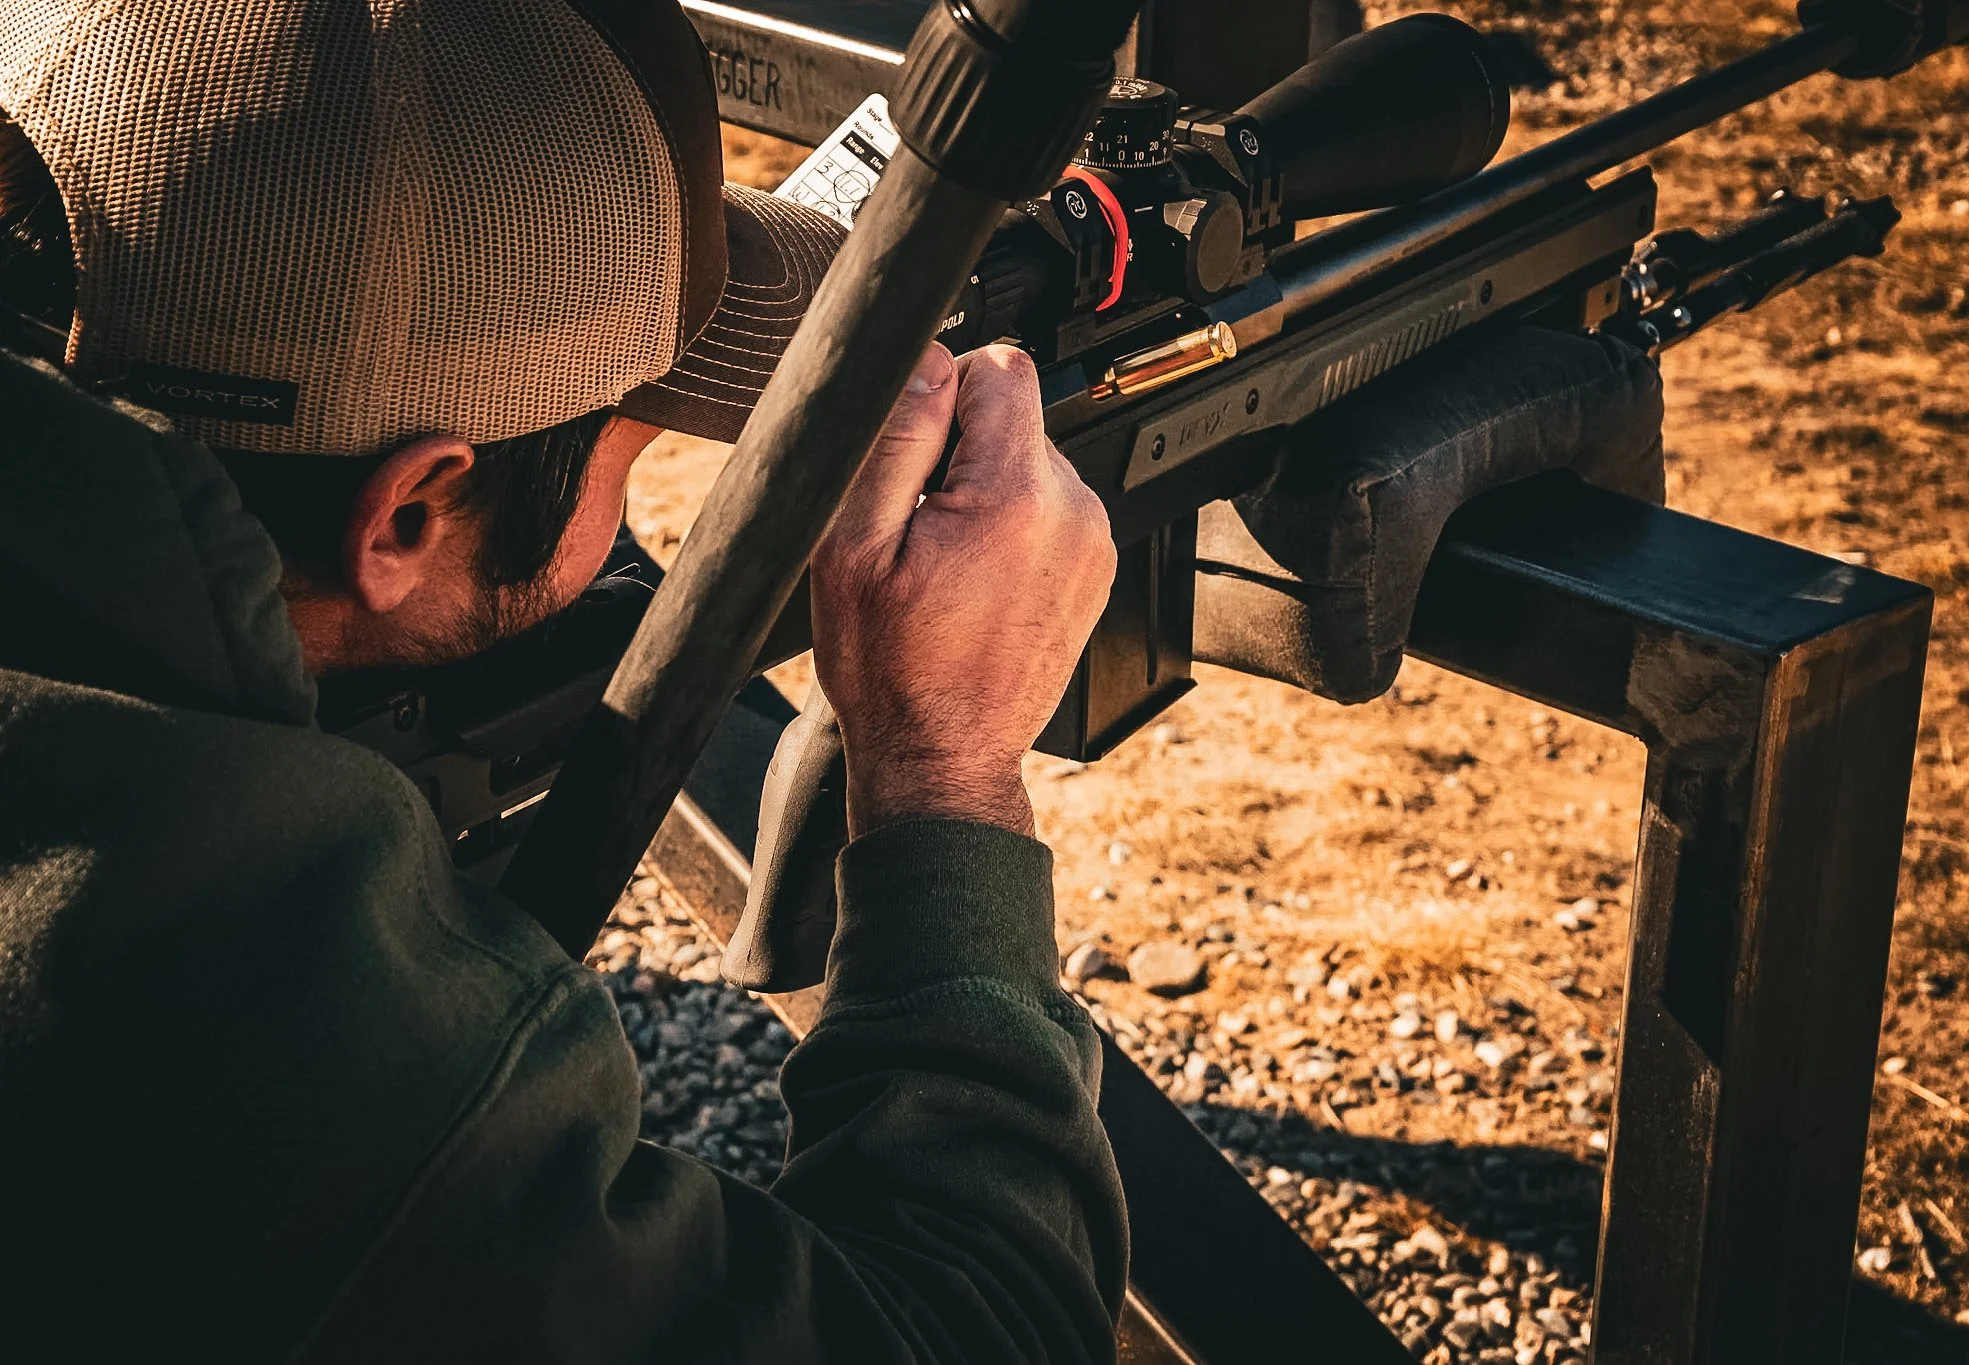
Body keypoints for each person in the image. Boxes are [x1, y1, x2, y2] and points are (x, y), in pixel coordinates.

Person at [0, 1, 1125, 1361]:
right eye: (633, 449)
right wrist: (943, 765)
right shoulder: (251, 1046)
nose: (635, 524)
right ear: (404, 517)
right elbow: (970, 1328)